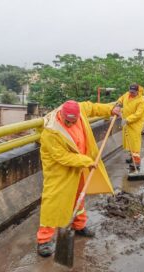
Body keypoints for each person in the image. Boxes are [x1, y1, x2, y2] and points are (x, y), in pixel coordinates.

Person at [36, 100, 118, 257]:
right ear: (62, 115)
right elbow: (63, 157)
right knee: (53, 202)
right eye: (67, 121)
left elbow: (92, 107)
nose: (69, 123)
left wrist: (111, 110)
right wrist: (87, 161)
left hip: (78, 167)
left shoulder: (79, 110)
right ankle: (44, 240)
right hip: (59, 172)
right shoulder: (51, 132)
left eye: (73, 121)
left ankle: (79, 225)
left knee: (79, 196)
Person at [112, 84, 144, 170]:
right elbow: (121, 99)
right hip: (127, 121)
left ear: (137, 92)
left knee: (135, 142)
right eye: (130, 91)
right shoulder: (127, 94)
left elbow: (138, 115)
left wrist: (127, 119)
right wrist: (118, 105)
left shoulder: (141, 101)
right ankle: (132, 157)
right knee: (129, 141)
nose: (131, 93)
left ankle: (137, 163)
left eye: (133, 92)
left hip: (135, 124)